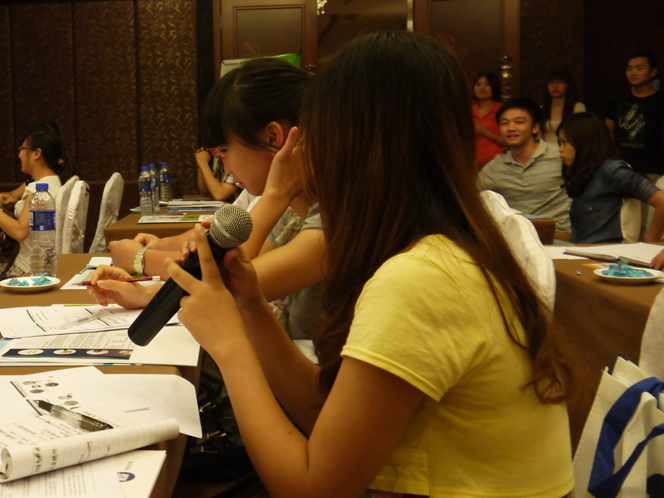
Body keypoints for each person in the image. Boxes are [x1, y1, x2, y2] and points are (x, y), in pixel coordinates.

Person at [142, 32, 575, 497]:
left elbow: (312, 488)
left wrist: (230, 344)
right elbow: (325, 415)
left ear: (361, 144)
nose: (305, 155)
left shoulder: (423, 277)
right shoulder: (443, 246)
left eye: (318, 134)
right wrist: (248, 306)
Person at [99, 57, 324, 340]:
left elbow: (225, 286)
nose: (225, 168)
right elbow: (227, 275)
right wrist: (146, 294)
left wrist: (275, 194)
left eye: (224, 151)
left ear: (272, 137)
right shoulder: (291, 214)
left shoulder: (331, 222)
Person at [558, 112, 664, 244]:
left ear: (583, 142)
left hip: (610, 253)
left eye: (564, 142)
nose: (560, 149)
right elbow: (582, 237)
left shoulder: (612, 170)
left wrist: (648, 246)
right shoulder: (585, 175)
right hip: (582, 250)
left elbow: (662, 202)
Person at [478, 97, 572, 237]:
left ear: (535, 128)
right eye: (505, 123)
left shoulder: (559, 155)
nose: (511, 128)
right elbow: (471, 200)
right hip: (518, 240)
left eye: (519, 122)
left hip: (559, 238)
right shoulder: (494, 168)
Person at [0, 124, 74, 277]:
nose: (19, 155)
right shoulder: (54, 181)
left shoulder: (38, 190)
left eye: (22, 149)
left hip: (27, 268)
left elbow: (20, 232)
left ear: (36, 153)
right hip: (43, 264)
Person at [604, 50, 664, 178]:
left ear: (653, 72)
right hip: (620, 167)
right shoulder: (617, 99)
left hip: (651, 169)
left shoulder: (660, 102)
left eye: (639, 68)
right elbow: (608, 133)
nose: (633, 73)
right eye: (629, 69)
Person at [541, 69, 586, 144]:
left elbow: (580, 134)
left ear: (568, 85)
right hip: (545, 149)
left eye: (560, 82)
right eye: (551, 83)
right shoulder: (542, 109)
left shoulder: (577, 107)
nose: (555, 86)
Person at [472, 71, 507, 166]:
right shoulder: (469, 111)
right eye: (478, 84)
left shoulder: (501, 110)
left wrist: (485, 133)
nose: (482, 88)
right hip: (471, 162)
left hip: (495, 162)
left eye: (487, 84)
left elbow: (508, 142)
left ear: (494, 87)